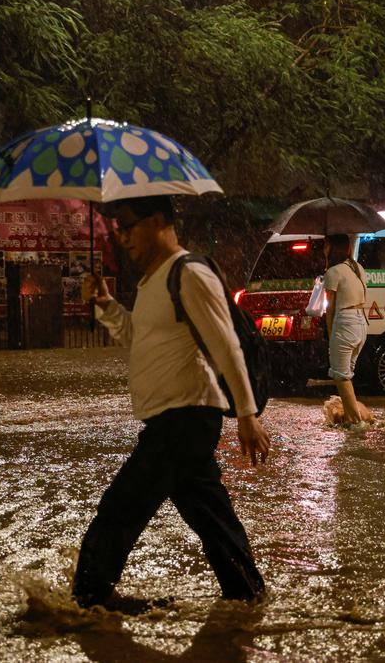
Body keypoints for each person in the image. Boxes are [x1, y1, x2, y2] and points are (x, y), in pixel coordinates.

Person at [72, 195, 271, 611]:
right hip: (176, 420)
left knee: (120, 508)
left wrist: (248, 415)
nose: (121, 237)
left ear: (159, 220)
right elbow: (137, 339)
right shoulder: (153, 280)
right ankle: (248, 596)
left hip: (184, 418)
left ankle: (86, 602)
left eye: (127, 226)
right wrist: (106, 305)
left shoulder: (190, 273)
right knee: (212, 519)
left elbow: (227, 345)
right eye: (117, 229)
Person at [323, 233, 371, 425]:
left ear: (331, 248)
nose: (323, 249)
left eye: (325, 245)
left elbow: (330, 309)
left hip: (345, 322)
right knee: (347, 374)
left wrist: (330, 333)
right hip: (361, 323)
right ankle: (355, 417)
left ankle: (355, 421)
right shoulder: (358, 268)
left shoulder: (333, 272)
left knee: (341, 376)